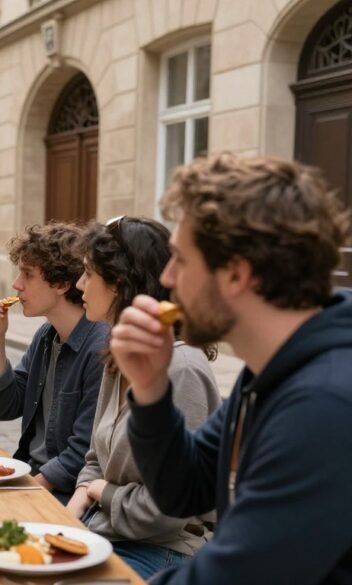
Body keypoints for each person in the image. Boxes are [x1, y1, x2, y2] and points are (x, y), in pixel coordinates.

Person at [112, 154, 352, 584]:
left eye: (181, 260)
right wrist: (150, 389)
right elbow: (183, 486)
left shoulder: (325, 404)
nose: (166, 278)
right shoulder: (271, 368)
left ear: (237, 275)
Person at [68, 216, 220, 579]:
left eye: (88, 274)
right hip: (104, 529)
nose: (79, 284)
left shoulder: (181, 369)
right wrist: (74, 507)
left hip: (163, 550)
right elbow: (94, 459)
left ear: (119, 284)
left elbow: (164, 513)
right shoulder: (121, 354)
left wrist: (100, 492)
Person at [0, 222, 107, 503]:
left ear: (61, 284)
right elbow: (6, 406)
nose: (16, 284)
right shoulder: (47, 335)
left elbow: (83, 452)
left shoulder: (99, 348)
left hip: (66, 494)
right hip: (33, 475)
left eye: (27, 274)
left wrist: (23, 492)